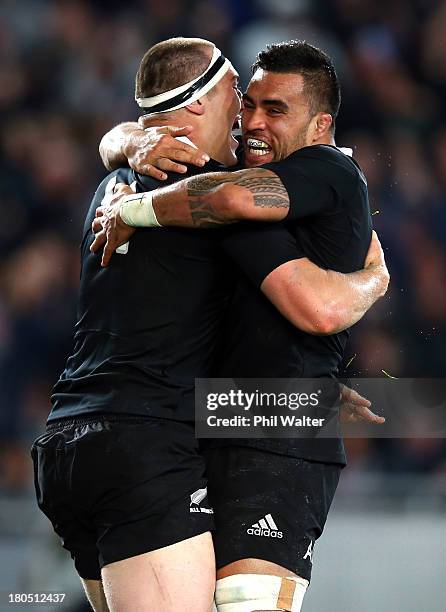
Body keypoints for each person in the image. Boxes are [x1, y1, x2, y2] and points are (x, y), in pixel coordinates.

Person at [93, 40, 388, 612]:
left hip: (279, 433)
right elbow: (124, 141)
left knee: (245, 602)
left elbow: (319, 308)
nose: (252, 121)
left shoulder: (326, 171)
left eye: (275, 110)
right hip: (213, 422)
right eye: (248, 104)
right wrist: (129, 140)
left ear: (320, 124)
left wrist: (130, 210)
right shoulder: (229, 186)